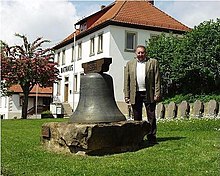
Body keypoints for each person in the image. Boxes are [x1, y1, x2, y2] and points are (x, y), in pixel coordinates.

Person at [124, 45, 161, 143]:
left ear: (146, 53)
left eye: (142, 52)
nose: (141, 55)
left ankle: (151, 137)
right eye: (139, 53)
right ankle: (138, 138)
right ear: (135, 54)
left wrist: (157, 93)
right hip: (135, 93)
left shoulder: (153, 62)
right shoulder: (130, 64)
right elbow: (126, 81)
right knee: (137, 117)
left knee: (151, 116)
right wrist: (127, 95)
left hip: (149, 93)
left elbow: (157, 79)